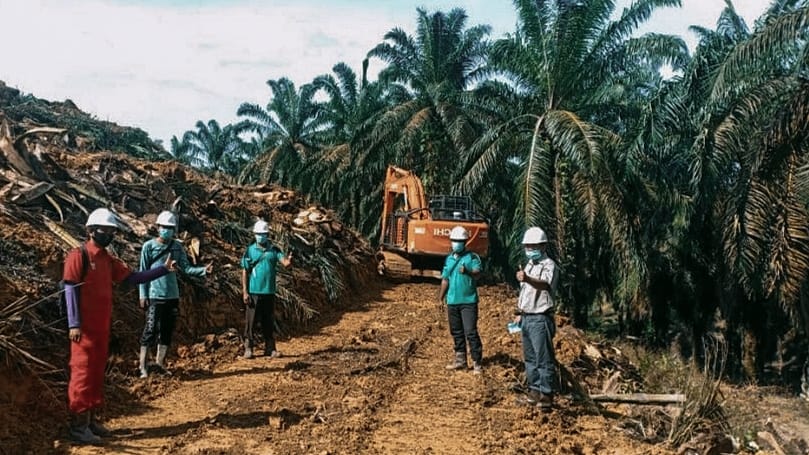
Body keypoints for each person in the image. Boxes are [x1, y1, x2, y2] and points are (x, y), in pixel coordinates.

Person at [63, 208, 176, 444]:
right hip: (83, 331)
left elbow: (132, 278)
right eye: (106, 230)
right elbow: (70, 289)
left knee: (95, 375)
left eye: (112, 231)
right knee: (82, 375)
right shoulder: (79, 256)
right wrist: (74, 323)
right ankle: (77, 427)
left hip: (100, 329)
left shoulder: (106, 259)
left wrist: (162, 270)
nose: (109, 234)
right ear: (92, 230)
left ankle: (90, 421)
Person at [137, 210, 212, 378]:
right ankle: (142, 366)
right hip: (155, 295)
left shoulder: (177, 247)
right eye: (164, 227)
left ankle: (159, 364)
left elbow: (186, 268)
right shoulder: (148, 247)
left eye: (170, 228)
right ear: (158, 227)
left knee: (166, 331)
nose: (167, 230)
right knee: (149, 330)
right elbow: (143, 271)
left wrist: (203, 271)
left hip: (172, 295)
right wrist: (143, 294)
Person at [514, 227, 559, 411]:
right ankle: (534, 391)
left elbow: (544, 285)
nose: (529, 249)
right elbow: (526, 293)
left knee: (543, 359)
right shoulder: (530, 264)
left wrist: (527, 279)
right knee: (530, 359)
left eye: (533, 246)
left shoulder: (549, 265)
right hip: (527, 317)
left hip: (540, 318)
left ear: (543, 246)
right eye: (527, 246)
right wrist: (519, 312)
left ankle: (546, 395)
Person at [240, 219, 292, 358]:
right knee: (251, 321)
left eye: (263, 234)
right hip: (254, 292)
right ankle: (248, 348)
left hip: (269, 291)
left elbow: (284, 261)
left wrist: (288, 262)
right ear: (254, 234)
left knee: (268, 320)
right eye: (258, 234)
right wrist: (245, 291)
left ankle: (270, 348)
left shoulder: (274, 250)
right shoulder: (250, 251)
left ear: (267, 235)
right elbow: (245, 270)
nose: (261, 236)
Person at [438, 226, 484, 374]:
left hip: (468, 301)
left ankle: (477, 362)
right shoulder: (449, 258)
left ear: (465, 242)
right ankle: (460, 360)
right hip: (452, 301)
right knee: (456, 331)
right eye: (454, 241)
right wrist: (440, 298)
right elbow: (445, 279)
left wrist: (468, 271)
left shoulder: (472, 258)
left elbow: (477, 274)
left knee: (470, 331)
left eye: (459, 241)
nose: (456, 243)